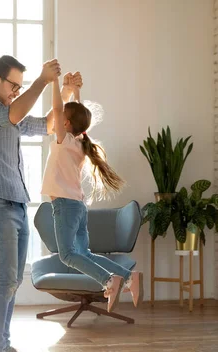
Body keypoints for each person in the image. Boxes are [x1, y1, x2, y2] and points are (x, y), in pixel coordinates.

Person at [0, 55, 73, 352]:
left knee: (12, 282)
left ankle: (4, 347)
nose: (16, 91)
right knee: (4, 282)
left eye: (20, 86)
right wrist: (42, 80)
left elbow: (49, 125)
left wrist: (64, 91)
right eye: (14, 85)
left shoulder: (11, 115)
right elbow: (13, 112)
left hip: (16, 203)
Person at [40, 72, 143, 313]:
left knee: (67, 255)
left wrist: (54, 81)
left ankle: (109, 281)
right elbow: (77, 114)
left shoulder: (64, 141)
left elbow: (57, 108)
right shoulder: (80, 142)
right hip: (77, 206)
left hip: (65, 206)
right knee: (83, 253)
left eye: (61, 118)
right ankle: (128, 277)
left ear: (65, 124)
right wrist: (75, 91)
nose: (57, 118)